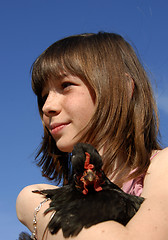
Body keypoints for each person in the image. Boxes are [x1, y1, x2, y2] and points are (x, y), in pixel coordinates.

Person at [16, 32, 168, 240]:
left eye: (66, 85)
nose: (47, 107)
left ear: (123, 88)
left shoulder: (163, 166)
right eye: (43, 97)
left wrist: (35, 207)